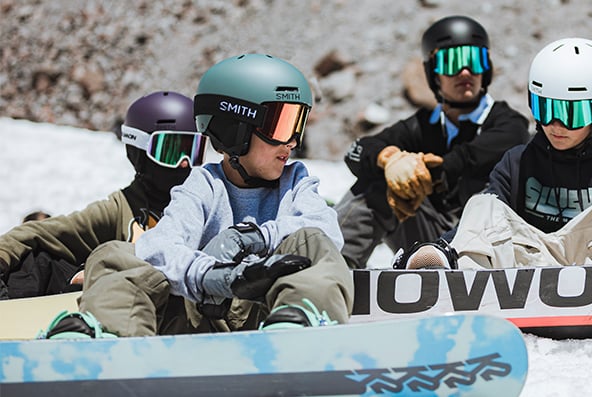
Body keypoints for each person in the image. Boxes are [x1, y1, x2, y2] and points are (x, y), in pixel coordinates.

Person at [41, 54, 353, 339]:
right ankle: (112, 335)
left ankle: (303, 325)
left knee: (310, 241)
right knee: (118, 254)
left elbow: (326, 231)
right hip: (200, 318)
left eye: (297, 125)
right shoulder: (202, 184)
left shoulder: (295, 181)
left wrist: (253, 237)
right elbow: (161, 246)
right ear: (236, 128)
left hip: (269, 314)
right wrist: (212, 275)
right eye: (282, 126)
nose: (292, 142)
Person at [394, 38, 592, 270]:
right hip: (530, 261)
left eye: (571, 113)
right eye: (546, 109)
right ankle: (446, 264)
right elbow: (482, 221)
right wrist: (448, 243)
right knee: (484, 203)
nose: (556, 125)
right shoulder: (518, 160)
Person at [335, 15, 530, 269]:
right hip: (429, 247)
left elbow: (474, 155)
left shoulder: (509, 124)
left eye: (474, 60)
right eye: (451, 62)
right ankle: (334, 270)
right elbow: (358, 151)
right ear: (433, 73)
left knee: (487, 199)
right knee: (382, 182)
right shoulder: (422, 126)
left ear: (487, 68)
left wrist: (428, 170)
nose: (465, 72)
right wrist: (389, 159)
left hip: (489, 248)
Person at [0, 91, 204, 299]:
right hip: (138, 316)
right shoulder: (121, 209)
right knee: (39, 263)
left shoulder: (206, 203)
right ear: (139, 152)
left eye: (193, 150)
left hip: (194, 316)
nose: (185, 162)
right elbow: (39, 233)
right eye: (170, 150)